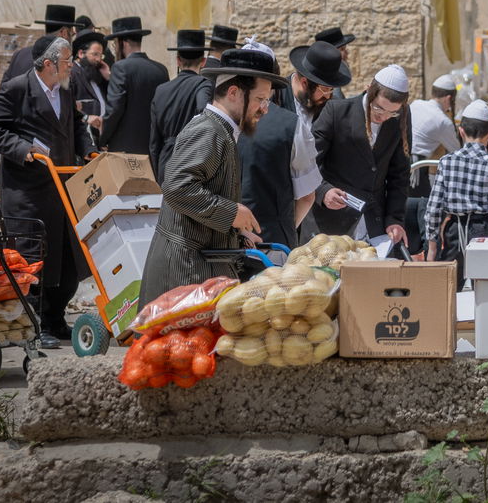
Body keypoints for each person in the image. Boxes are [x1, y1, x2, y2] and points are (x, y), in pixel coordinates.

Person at [0, 35, 96, 345]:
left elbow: (77, 124)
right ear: (48, 65)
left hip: (62, 188)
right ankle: (35, 326)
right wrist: (21, 148)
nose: (72, 67)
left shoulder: (65, 90)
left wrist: (88, 149)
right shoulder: (18, 89)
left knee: (68, 265)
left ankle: (55, 320)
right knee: (34, 264)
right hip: (29, 191)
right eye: (67, 62)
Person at [138, 48, 281, 305]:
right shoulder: (208, 130)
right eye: (261, 99)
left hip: (197, 265)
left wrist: (237, 233)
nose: (265, 109)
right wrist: (232, 213)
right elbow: (177, 188)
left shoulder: (221, 131)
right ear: (234, 93)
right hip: (184, 271)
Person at [239, 40, 341, 248]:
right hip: (270, 230)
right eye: (323, 89)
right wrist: (286, 227)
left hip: (301, 224)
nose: (328, 96)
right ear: (304, 82)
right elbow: (305, 195)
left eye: (331, 90)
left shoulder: (329, 107)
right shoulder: (281, 111)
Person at [310, 64, 412, 243]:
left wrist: (395, 218)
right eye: (379, 108)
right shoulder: (336, 111)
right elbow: (309, 161)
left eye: (392, 112)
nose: (384, 117)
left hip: (376, 220)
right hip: (335, 218)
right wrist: (323, 191)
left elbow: (399, 173)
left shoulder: (402, 115)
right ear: (369, 90)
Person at [424, 99, 488, 289]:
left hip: (454, 230)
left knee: (449, 289)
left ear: (461, 131)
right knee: (486, 289)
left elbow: (434, 207)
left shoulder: (446, 162)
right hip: (484, 231)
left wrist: (432, 245)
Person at [148, 30, 213, 183]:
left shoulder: (161, 90)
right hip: (192, 160)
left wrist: (158, 171)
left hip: (165, 162)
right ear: (203, 62)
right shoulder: (203, 85)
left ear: (178, 60)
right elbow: (204, 112)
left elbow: (154, 142)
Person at [407, 73, 461, 253]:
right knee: (422, 207)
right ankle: (423, 249)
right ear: (448, 98)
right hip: (418, 167)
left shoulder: (416, 104)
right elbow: (456, 151)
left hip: (403, 159)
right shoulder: (443, 121)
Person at [99, 16, 168, 155]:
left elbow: (114, 109)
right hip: (154, 148)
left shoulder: (120, 67)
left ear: (122, 43)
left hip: (125, 150)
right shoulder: (161, 70)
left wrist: (102, 139)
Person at [1, 4, 79, 87]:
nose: (72, 40)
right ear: (63, 33)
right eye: (71, 34)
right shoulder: (61, 62)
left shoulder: (20, 54)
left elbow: (3, 89)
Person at [69, 29, 110, 138]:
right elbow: (67, 106)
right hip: (83, 136)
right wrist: (86, 117)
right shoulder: (72, 74)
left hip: (100, 135)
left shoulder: (97, 73)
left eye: (101, 55)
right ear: (81, 53)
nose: (98, 59)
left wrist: (108, 76)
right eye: (95, 54)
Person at [313, 26, 355, 99]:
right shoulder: (327, 85)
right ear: (329, 53)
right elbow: (338, 105)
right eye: (342, 49)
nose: (347, 53)